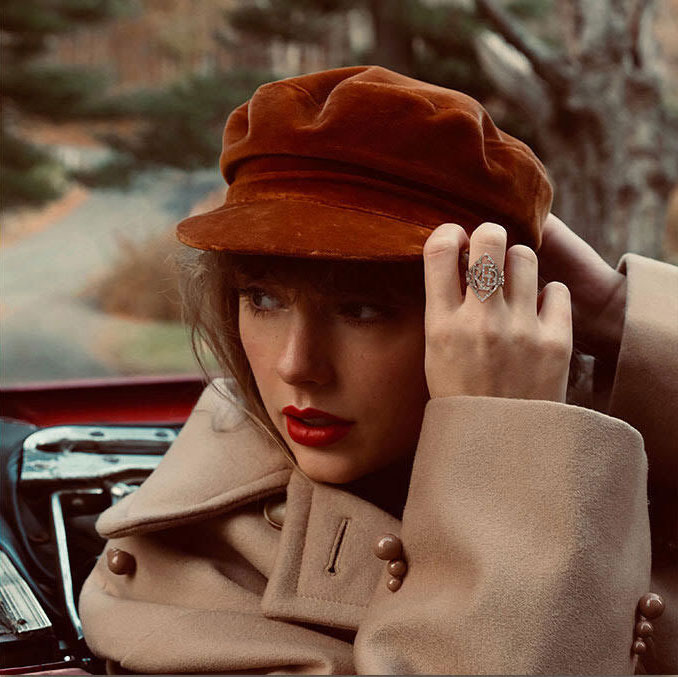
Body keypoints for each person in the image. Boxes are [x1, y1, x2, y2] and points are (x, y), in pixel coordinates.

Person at [78, 65, 677, 674]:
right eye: (263, 298)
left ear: (487, 313)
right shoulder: (189, 578)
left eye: (362, 309)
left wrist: (610, 310)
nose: (298, 366)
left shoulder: (606, 441)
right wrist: (507, 444)